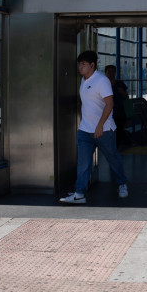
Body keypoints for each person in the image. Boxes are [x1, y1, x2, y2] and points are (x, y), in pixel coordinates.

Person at [60, 51, 128, 204]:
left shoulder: (101, 81)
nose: (80, 67)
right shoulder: (83, 80)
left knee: (113, 158)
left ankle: (122, 184)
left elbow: (110, 104)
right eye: (79, 64)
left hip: (104, 130)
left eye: (83, 64)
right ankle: (79, 193)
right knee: (83, 163)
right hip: (85, 129)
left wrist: (100, 125)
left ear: (92, 65)